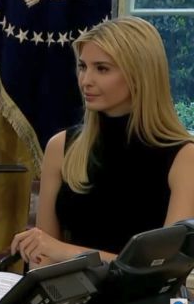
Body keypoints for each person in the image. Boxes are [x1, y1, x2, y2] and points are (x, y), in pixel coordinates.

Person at [11, 16, 194, 268]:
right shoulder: (61, 147)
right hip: (71, 299)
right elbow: (43, 257)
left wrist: (65, 252)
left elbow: (163, 269)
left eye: (102, 68)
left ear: (139, 75)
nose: (86, 81)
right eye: (83, 66)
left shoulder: (184, 156)